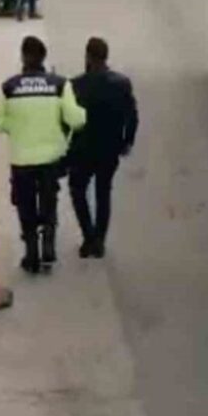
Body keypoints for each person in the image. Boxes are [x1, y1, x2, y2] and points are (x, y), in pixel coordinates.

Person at [0, 36, 87, 273]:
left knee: (25, 206)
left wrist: (14, 127)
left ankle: (31, 254)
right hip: (51, 158)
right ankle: (48, 249)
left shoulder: (9, 87)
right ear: (44, 57)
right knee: (48, 203)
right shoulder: (59, 85)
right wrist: (79, 114)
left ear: (23, 57)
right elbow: (76, 120)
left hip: (21, 159)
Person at [68, 38, 139, 258]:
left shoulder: (76, 85)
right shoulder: (122, 84)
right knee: (103, 192)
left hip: (83, 149)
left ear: (88, 56)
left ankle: (88, 237)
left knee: (77, 189)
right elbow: (133, 117)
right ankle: (99, 240)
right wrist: (127, 141)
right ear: (106, 56)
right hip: (110, 148)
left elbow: (68, 119)